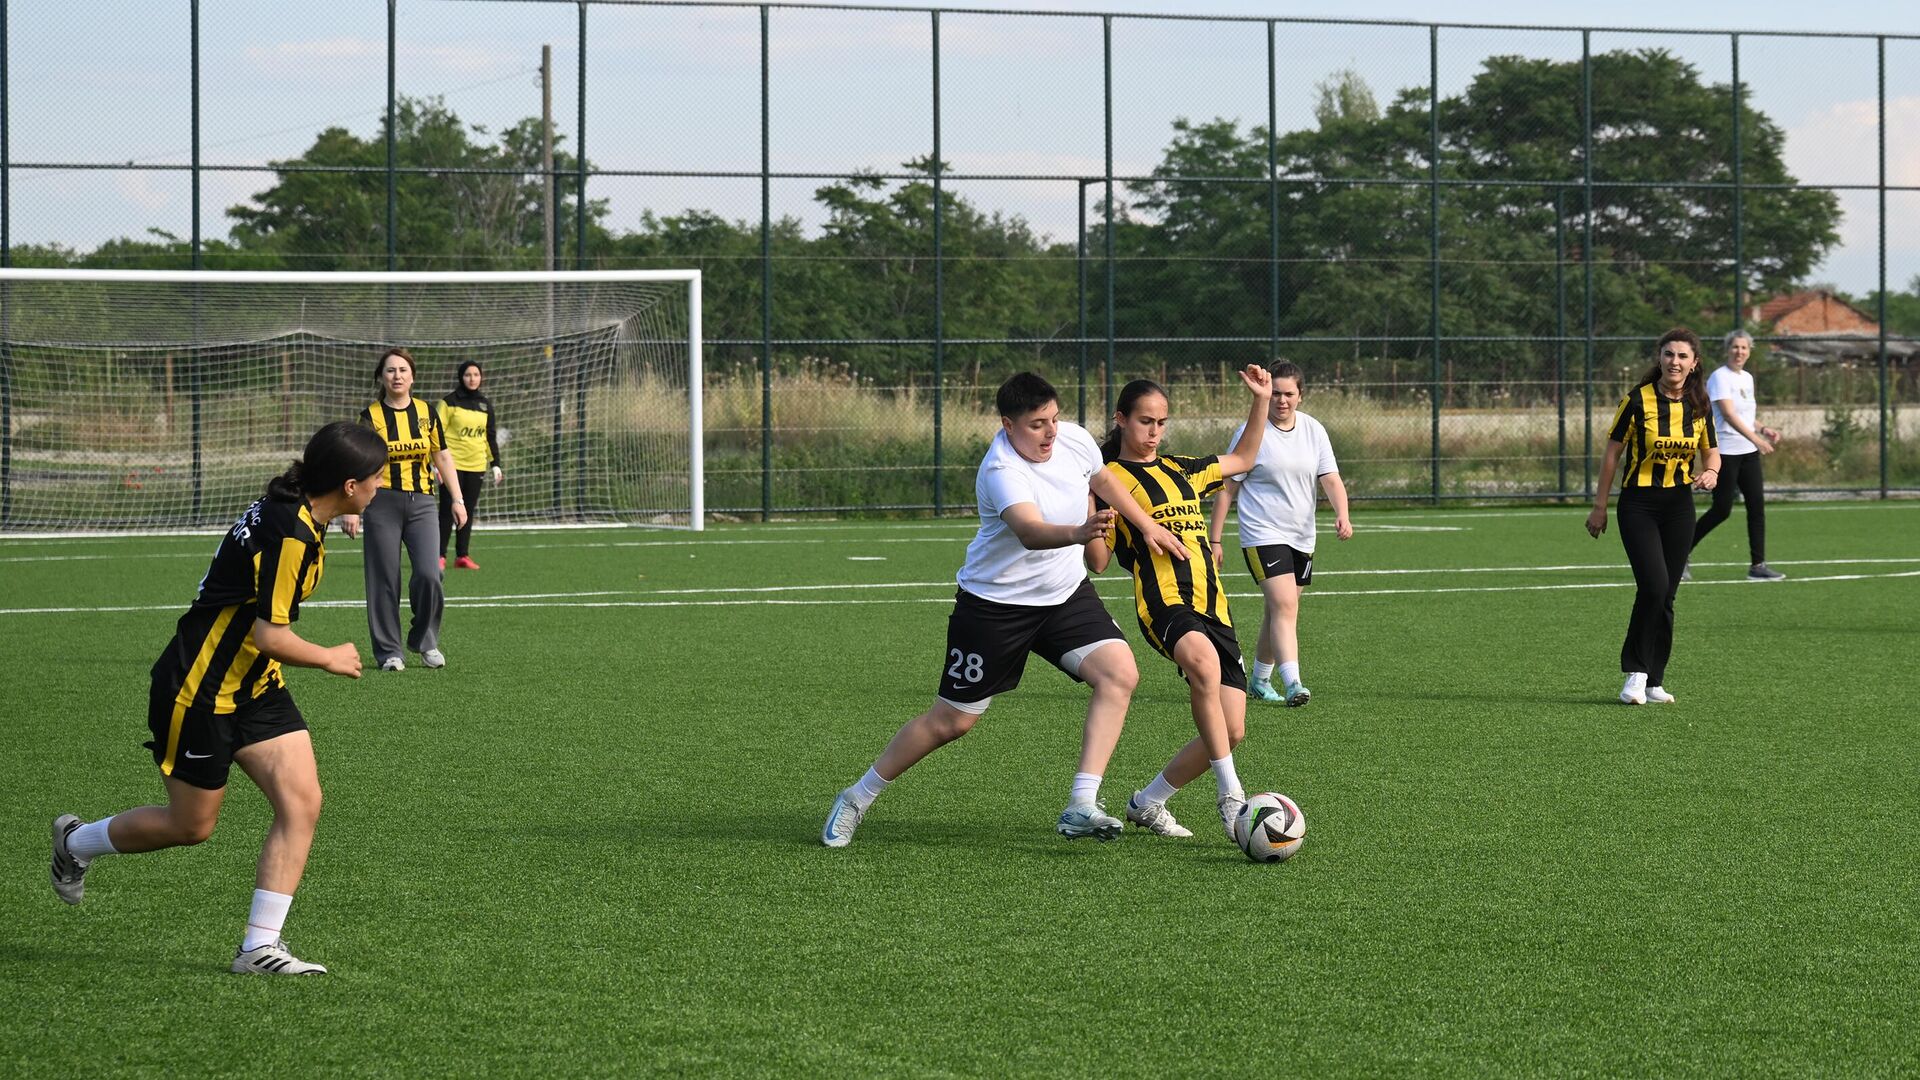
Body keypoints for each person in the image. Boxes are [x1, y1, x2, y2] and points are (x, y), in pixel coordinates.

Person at [49, 421, 387, 975]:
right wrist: (328, 656)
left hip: (255, 686)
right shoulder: (292, 532)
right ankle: (77, 842)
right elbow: (270, 636)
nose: (380, 485)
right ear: (349, 485)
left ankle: (258, 948)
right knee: (191, 826)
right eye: (376, 477)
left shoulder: (299, 510)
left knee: (302, 803)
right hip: (198, 690)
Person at [820, 372, 1190, 848]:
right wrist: (1080, 533)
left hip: (1063, 595)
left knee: (1119, 674)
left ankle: (1081, 804)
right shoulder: (1001, 470)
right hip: (996, 607)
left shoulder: (1073, 439)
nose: (1051, 432)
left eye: (1053, 418)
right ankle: (857, 796)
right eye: (1037, 424)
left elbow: (1103, 479)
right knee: (952, 721)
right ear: (1008, 425)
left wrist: (1147, 525)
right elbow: (1030, 532)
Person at [1088, 367, 1275, 843]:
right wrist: (1093, 513)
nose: (1154, 432)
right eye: (1145, 421)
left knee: (1232, 730)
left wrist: (1261, 399)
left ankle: (1147, 802)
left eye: (1161, 423)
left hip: (1214, 607)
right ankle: (1231, 795)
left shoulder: (1181, 469)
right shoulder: (1108, 480)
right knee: (1203, 664)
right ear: (1121, 419)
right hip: (1164, 603)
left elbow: (1245, 457)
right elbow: (1098, 562)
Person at [1586, 328, 1721, 705]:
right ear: (1659, 358)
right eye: (1668, 354)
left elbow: (1711, 451)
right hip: (1639, 505)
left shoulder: (1699, 404)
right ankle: (1635, 672)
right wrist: (1600, 506)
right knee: (1654, 587)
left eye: (1682, 356)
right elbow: (1612, 454)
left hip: (1679, 507)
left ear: (1694, 363)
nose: (1674, 362)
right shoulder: (1636, 401)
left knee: (1667, 595)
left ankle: (1654, 680)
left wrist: (1712, 471)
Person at [1207, 362, 1353, 707]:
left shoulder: (1314, 430)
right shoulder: (1250, 432)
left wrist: (1342, 514)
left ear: (1300, 396)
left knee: (1280, 609)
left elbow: (1330, 478)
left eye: (1289, 394)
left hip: (1302, 535)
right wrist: (1215, 540)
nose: (1282, 400)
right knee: (1285, 605)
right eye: (1275, 394)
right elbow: (1226, 490)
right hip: (1262, 534)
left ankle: (1259, 680)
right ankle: (1293, 683)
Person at [341, 347, 466, 672]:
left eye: (402, 370)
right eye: (390, 370)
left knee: (430, 574)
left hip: (422, 503)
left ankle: (425, 641)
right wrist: (351, 508)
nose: (397, 376)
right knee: (384, 578)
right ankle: (389, 653)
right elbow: (357, 462)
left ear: (412, 376)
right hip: (381, 503)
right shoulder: (370, 417)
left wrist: (457, 498)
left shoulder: (427, 412)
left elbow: (442, 455)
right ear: (381, 377)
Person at [1687, 330, 1785, 582]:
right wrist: (1757, 440)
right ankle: (1681, 552)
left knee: (1757, 508)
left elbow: (1745, 416)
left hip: (1748, 454)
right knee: (1721, 510)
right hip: (1725, 453)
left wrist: (1763, 429)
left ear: (1749, 351)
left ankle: (1758, 565)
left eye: (1744, 347)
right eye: (1735, 347)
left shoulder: (1747, 378)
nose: (1739, 351)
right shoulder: (1720, 377)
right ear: (1727, 349)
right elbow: (1729, 415)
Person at [437, 360, 505, 571]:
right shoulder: (448, 402)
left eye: (476, 374)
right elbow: (435, 435)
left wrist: (495, 464)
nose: (472, 378)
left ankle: (462, 556)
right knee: (447, 509)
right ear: (461, 377)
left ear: (481, 377)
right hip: (451, 465)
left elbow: (490, 437)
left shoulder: (485, 405)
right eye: (468, 375)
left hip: (476, 465)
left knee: (468, 510)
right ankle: (439, 555)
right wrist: (436, 465)